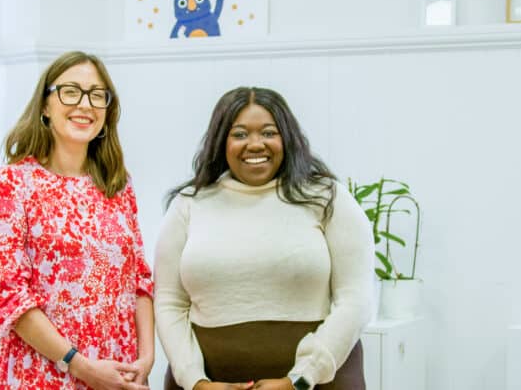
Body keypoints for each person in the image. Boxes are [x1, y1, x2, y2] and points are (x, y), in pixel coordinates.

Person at [154, 87, 374, 390]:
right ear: (221, 143)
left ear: (287, 138)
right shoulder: (189, 204)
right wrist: (197, 382)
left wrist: (300, 379)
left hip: (318, 383)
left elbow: (356, 298)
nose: (255, 144)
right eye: (240, 134)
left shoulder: (327, 198)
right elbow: (169, 302)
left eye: (268, 133)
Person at [0, 51, 154, 390]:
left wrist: (145, 359)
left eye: (96, 95)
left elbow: (140, 279)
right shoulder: (13, 183)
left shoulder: (118, 185)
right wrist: (82, 367)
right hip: (43, 376)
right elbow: (7, 296)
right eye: (70, 91)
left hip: (119, 376)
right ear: (45, 105)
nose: (85, 104)